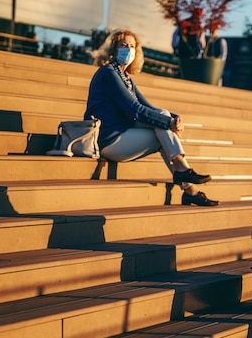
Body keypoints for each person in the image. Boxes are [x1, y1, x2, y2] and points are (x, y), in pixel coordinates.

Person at [84, 29, 218, 207]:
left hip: (123, 133)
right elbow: (136, 111)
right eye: (123, 46)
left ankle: (188, 186)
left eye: (132, 46)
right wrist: (168, 123)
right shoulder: (108, 73)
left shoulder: (125, 77)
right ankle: (185, 177)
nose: (128, 50)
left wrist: (175, 118)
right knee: (162, 130)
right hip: (108, 140)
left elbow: (149, 107)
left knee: (162, 118)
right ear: (113, 49)